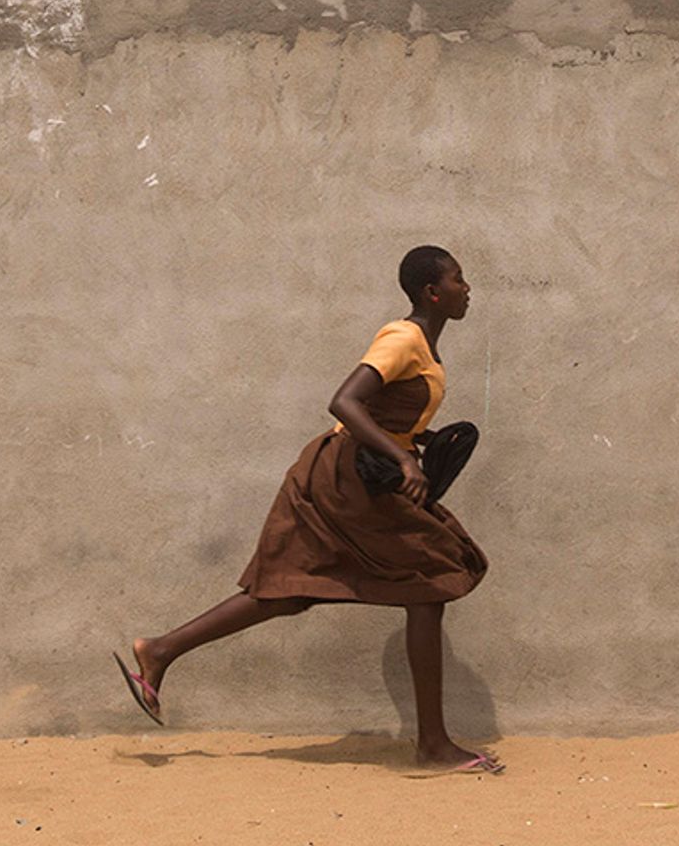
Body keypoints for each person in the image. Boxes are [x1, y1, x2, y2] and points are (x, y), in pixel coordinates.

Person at [113, 245, 498, 773]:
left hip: (358, 474)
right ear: (433, 292)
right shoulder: (403, 337)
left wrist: (418, 439)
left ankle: (159, 651)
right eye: (459, 278)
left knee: (292, 588)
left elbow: (383, 412)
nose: (467, 287)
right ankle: (432, 746)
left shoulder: (424, 347)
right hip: (347, 478)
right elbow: (344, 402)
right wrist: (401, 460)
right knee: (431, 580)